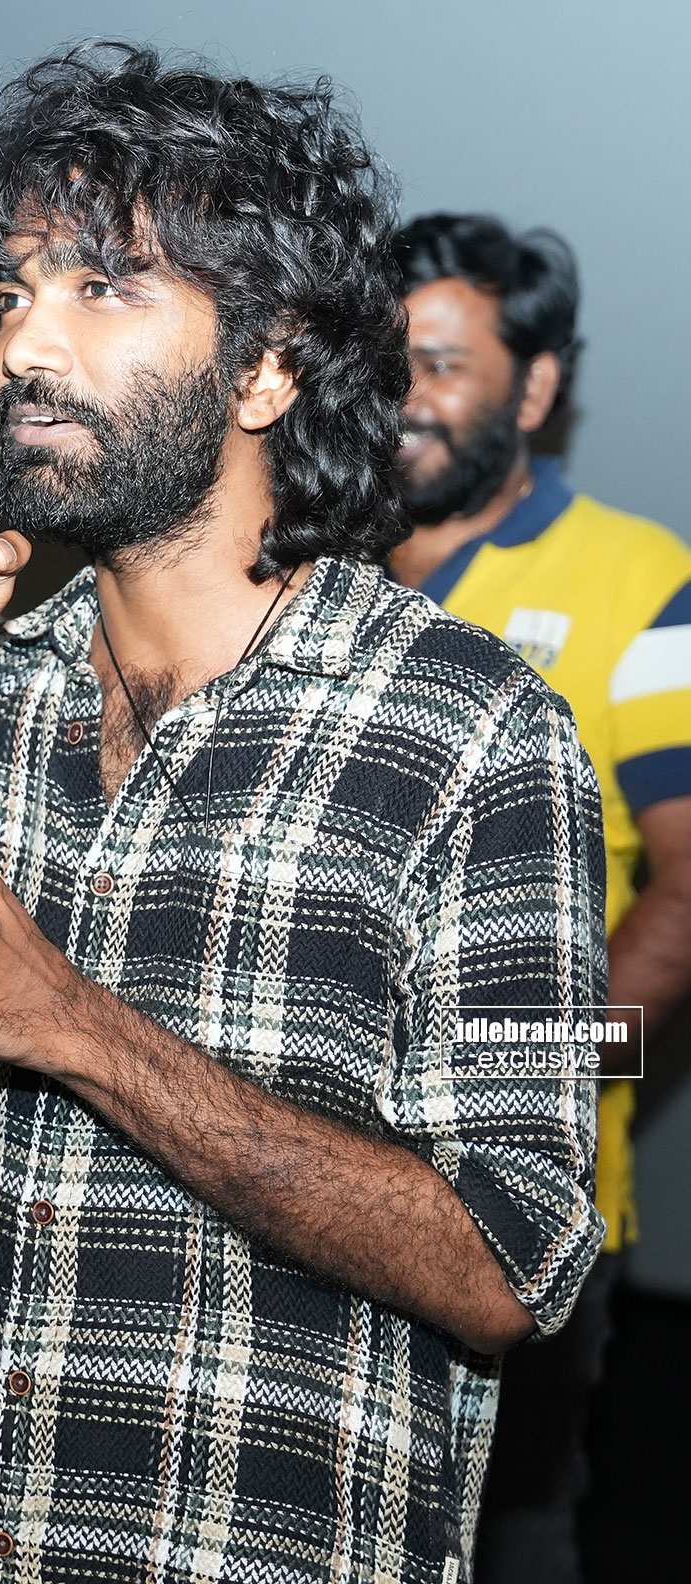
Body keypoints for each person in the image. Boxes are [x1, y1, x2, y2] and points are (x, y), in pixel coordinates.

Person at [0, 49, 605, 1584]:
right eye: (10, 291)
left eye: (104, 287)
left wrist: (68, 1022)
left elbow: (514, 1263)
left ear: (266, 372)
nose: (23, 345)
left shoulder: (484, 735)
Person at [390, 212, 691, 1583]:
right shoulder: (301, 560)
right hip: (293, 1178)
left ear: (536, 387)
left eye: (444, 365)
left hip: (526, 1204)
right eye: (383, 362)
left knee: (507, 1538)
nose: (404, 397)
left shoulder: (642, 581)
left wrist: (502, 1077)